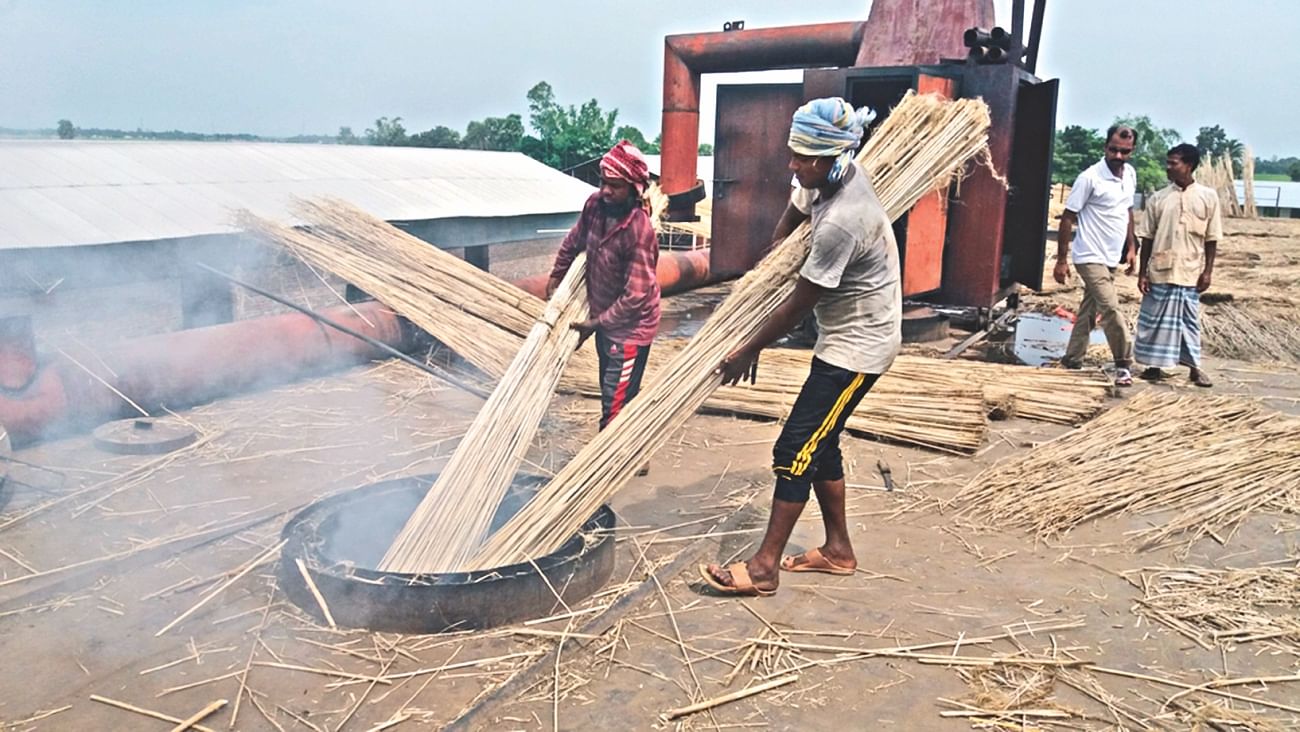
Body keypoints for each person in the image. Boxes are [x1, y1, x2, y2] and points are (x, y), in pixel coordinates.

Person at [700, 98, 900, 597]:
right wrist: (772, 263)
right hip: (843, 336)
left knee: (794, 451)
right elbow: (790, 219)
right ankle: (838, 551)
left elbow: (798, 307)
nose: (792, 165)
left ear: (833, 158)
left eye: (803, 158)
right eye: (792, 153)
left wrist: (749, 346)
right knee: (821, 444)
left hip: (859, 348)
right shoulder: (825, 175)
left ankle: (764, 568)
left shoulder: (844, 219)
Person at [548, 141, 661, 463]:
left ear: (634, 188)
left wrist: (594, 325)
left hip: (630, 329)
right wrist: (556, 279)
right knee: (614, 393)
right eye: (604, 183)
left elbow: (637, 295)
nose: (606, 191)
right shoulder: (595, 206)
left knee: (616, 400)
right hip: (603, 319)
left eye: (615, 186)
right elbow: (574, 241)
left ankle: (603, 468)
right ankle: (633, 453)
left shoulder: (639, 231)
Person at [1053, 125, 1138, 384]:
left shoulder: (1130, 174)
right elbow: (1068, 219)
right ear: (1105, 147)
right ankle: (1124, 363)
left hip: (1111, 256)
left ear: (1132, 151)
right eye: (1113, 150)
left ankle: (1072, 359)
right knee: (1110, 308)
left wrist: (1132, 247)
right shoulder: (1089, 177)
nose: (1118, 156)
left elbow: (1128, 212)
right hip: (1089, 256)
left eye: (1124, 151)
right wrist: (1061, 260)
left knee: (1089, 310)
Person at [1134, 143, 1222, 388]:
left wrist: (1208, 271)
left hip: (1190, 272)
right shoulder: (1158, 198)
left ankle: (1195, 370)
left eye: (1174, 163)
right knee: (1154, 322)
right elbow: (1147, 238)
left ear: (1189, 166)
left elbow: (1212, 238)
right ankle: (1153, 367)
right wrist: (1142, 273)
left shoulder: (1208, 197)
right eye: (1168, 162)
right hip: (1160, 271)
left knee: (1188, 324)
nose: (1168, 167)